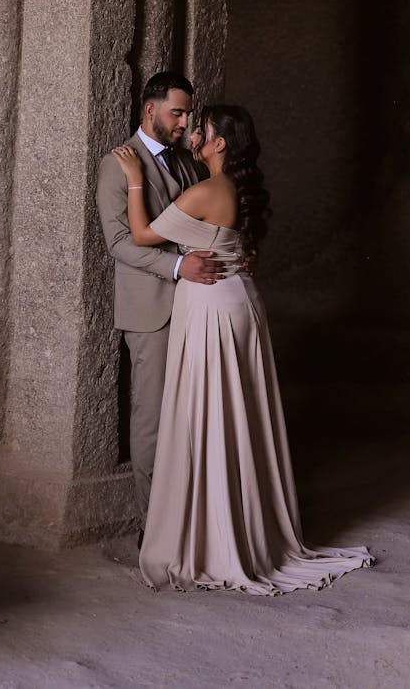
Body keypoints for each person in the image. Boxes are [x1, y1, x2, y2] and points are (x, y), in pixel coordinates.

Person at [111, 104, 373, 594]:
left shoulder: (209, 190)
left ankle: (216, 535)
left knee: (212, 414)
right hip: (238, 300)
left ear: (220, 143)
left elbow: (143, 235)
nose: (193, 135)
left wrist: (134, 178)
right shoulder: (234, 189)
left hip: (212, 305)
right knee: (235, 414)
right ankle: (239, 526)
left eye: (202, 130)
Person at [96, 72, 222, 537]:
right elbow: (118, 243)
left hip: (196, 304)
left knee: (190, 415)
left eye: (188, 114)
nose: (185, 122)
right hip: (151, 311)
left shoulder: (186, 161)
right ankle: (154, 531)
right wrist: (178, 267)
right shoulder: (117, 164)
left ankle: (186, 521)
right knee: (151, 418)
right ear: (150, 109)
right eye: (177, 112)